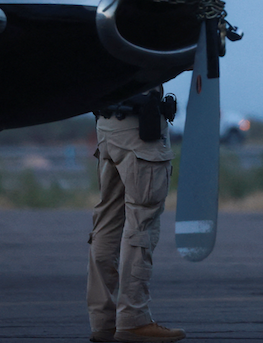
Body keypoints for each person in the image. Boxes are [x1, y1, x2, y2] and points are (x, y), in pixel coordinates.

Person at [87, 86, 186, 343]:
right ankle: (133, 319)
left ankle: (102, 323)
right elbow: (160, 57)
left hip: (108, 125)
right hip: (137, 130)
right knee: (141, 224)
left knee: (106, 223)